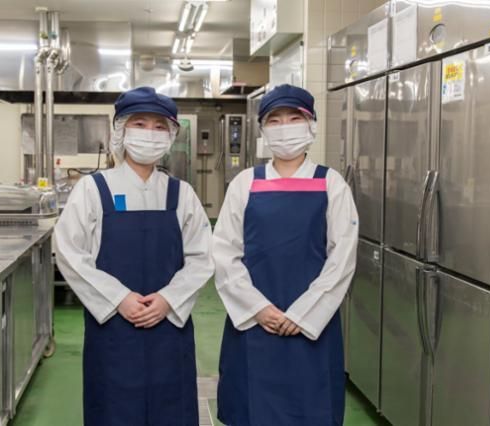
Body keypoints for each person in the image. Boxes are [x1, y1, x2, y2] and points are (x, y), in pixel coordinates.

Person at [54, 87, 214, 426]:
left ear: (170, 136)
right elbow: (69, 251)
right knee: (114, 409)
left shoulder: (181, 194)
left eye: (159, 127)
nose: (149, 134)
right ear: (121, 131)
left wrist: (169, 300)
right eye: (140, 124)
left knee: (172, 409)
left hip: (168, 327)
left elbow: (202, 256)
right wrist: (119, 298)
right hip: (113, 328)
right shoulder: (94, 189)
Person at [213, 84, 359, 426]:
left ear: (311, 125)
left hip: (312, 327)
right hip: (252, 324)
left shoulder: (331, 184)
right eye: (274, 120)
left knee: (311, 410)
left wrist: (303, 314)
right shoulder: (245, 183)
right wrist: (258, 309)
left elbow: (342, 259)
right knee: (252, 411)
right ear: (263, 129)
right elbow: (224, 253)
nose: (284, 127)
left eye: (294, 118)